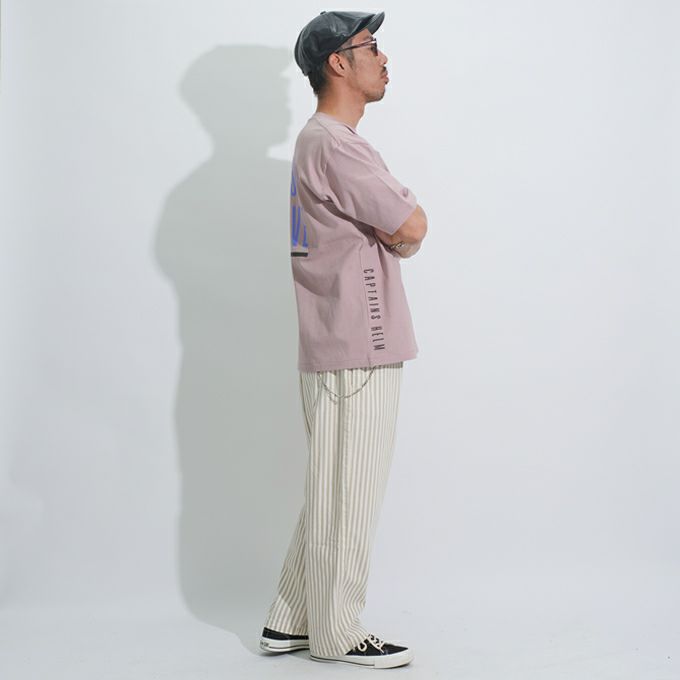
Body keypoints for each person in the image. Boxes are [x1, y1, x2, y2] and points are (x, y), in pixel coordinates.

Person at [259, 10, 427, 669]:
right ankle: (338, 632)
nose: (384, 59)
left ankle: (289, 619)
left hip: (335, 339)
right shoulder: (338, 145)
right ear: (338, 62)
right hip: (359, 342)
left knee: (332, 488)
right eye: (371, 46)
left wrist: (393, 230)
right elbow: (411, 224)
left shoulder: (315, 143)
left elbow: (389, 228)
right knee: (347, 495)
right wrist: (399, 231)